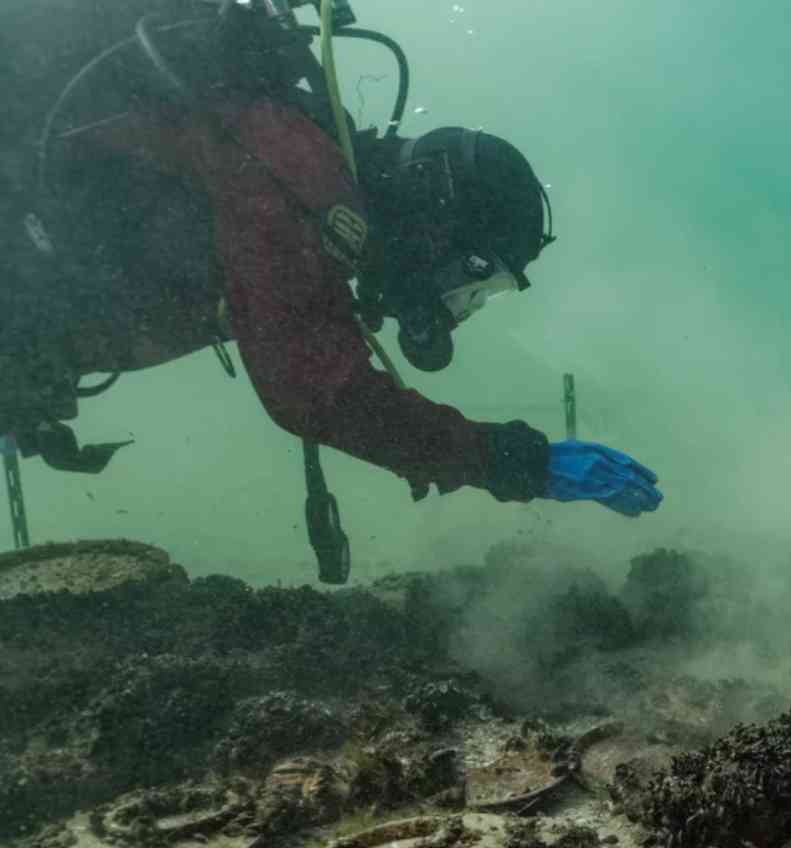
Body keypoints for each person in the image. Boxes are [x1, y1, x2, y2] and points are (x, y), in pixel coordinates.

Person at [0, 0, 660, 581]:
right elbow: (318, 391)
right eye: (470, 279)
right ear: (436, 219)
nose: (454, 307)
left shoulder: (309, 172)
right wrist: (518, 462)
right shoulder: (297, 169)